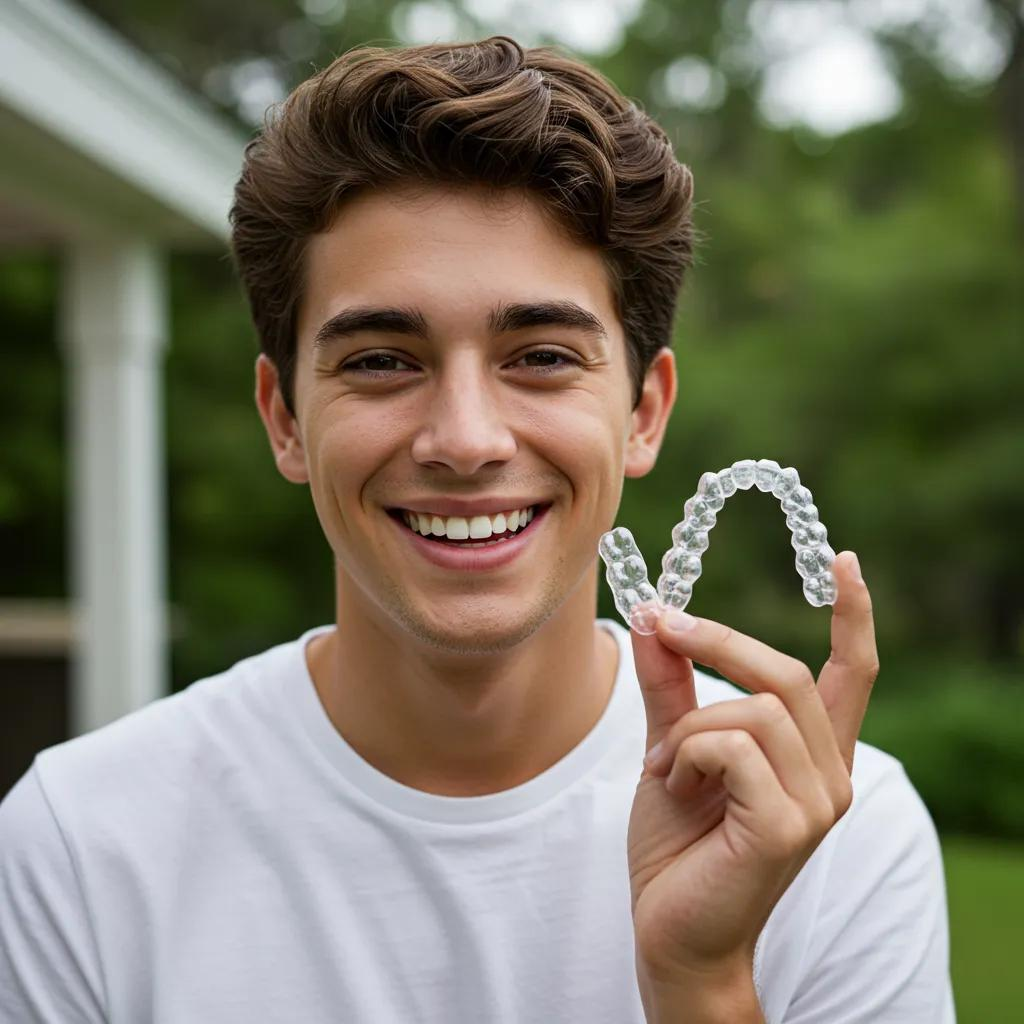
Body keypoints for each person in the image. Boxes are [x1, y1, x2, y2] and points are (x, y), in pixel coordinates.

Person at [0, 36, 953, 1023]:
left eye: (539, 354)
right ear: (284, 417)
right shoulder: (80, 847)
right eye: (380, 360)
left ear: (643, 413)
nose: (464, 439)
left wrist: (703, 984)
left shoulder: (838, 836)